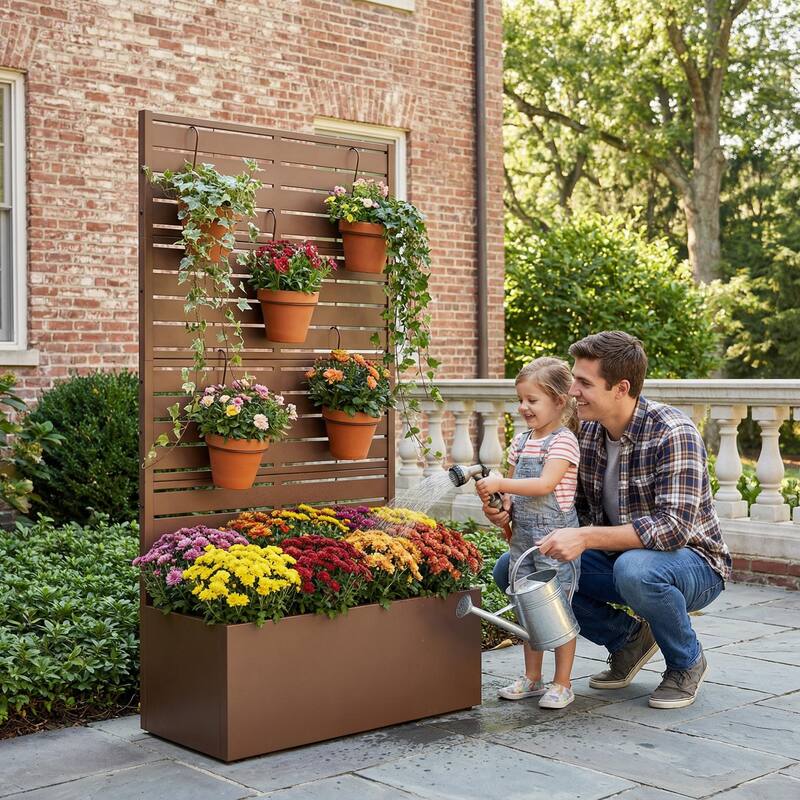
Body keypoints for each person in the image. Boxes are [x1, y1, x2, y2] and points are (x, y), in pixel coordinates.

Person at [485, 332, 731, 710]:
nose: (572, 393)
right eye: (572, 381)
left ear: (621, 388)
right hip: (617, 557)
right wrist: (506, 512)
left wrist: (583, 537)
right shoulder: (585, 434)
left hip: (691, 563)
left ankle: (686, 662)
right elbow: (569, 506)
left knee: (637, 570)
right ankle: (628, 641)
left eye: (583, 383)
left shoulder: (672, 431)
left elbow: (673, 529)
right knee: (513, 570)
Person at [476, 356, 582, 709]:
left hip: (557, 542)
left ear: (559, 401)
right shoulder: (521, 442)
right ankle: (532, 678)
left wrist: (501, 481)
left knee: (559, 611)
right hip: (522, 540)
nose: (523, 407)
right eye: (520, 399)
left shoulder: (563, 442)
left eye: (532, 400)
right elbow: (512, 495)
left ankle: (562, 682)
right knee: (526, 607)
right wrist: (499, 505)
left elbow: (544, 483)